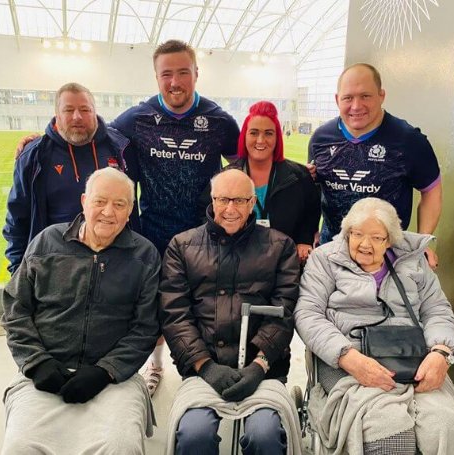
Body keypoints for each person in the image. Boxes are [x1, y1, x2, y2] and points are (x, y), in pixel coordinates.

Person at [0, 167, 160, 455]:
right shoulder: (48, 241)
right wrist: (37, 363)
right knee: (20, 448)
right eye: (100, 201)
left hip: (113, 379)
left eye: (119, 204)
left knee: (120, 447)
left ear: (130, 211)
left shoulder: (145, 255)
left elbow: (146, 328)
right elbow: (16, 307)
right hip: (45, 372)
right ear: (84, 201)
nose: (108, 212)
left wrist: (105, 372)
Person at [110, 39, 239, 395]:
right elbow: (95, 135)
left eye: (183, 72)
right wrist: (44, 138)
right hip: (153, 231)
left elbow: (247, 161)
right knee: (154, 303)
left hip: (204, 234)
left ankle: (202, 367)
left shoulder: (218, 121)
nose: (175, 81)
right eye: (167, 74)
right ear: (156, 77)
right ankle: (155, 364)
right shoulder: (137, 118)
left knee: (202, 304)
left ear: (196, 73)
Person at [294, 197, 454, 455]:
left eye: (376, 238)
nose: (365, 244)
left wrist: (441, 352)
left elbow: (437, 310)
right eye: (357, 234)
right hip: (347, 360)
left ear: (391, 240)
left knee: (443, 424)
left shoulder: (413, 261)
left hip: (412, 359)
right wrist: (348, 357)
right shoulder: (325, 260)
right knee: (390, 431)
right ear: (346, 232)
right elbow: (308, 313)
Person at [160, 169, 302, 455]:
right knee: (193, 435)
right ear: (212, 200)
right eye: (223, 199)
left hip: (262, 369)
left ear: (252, 204)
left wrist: (259, 365)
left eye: (239, 200)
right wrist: (205, 366)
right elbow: (175, 315)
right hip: (204, 369)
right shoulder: (181, 246)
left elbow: (283, 313)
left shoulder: (280, 246)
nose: (230, 209)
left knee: (266, 435)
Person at [308, 63, 442, 268]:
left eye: (365, 96)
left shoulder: (408, 140)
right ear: (337, 100)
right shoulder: (321, 139)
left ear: (381, 95)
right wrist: (310, 230)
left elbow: (431, 190)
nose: (356, 106)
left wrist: (422, 241)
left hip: (386, 258)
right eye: (348, 98)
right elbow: (314, 189)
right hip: (332, 254)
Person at [3, 82, 135, 274]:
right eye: (68, 110)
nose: (77, 117)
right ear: (57, 115)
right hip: (54, 267)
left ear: (95, 112)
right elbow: (17, 219)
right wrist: (18, 271)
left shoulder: (120, 148)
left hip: (113, 266)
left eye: (84, 109)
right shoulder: (34, 156)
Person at [200, 101, 321, 264]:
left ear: (277, 137)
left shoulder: (299, 176)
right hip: (235, 261)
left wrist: (304, 240)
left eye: (269, 133)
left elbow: (312, 211)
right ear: (244, 136)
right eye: (254, 133)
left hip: (283, 263)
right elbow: (206, 214)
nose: (260, 140)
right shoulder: (225, 177)